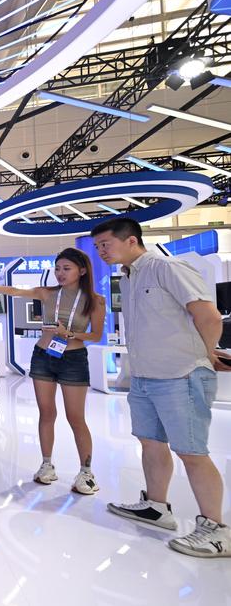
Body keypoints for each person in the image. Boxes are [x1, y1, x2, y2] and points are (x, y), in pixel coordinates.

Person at [91, 217, 230, 558]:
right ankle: (157, 507)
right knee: (150, 443)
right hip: (144, 377)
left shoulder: (167, 267)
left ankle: (216, 530)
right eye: (97, 247)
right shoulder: (128, 277)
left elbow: (209, 316)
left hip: (181, 374)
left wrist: (205, 354)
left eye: (106, 244)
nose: (101, 251)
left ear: (131, 240)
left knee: (192, 452)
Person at [0, 247, 106, 495]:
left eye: (66, 268)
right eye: (57, 268)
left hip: (74, 359)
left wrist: (69, 334)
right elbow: (15, 291)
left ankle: (86, 472)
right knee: (46, 413)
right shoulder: (47, 293)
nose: (60, 273)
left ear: (82, 271)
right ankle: (46, 465)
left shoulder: (95, 300)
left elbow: (96, 335)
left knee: (76, 417)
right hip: (43, 356)